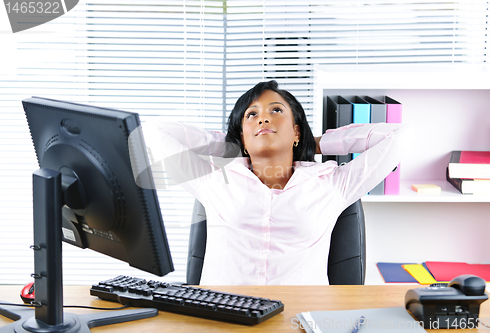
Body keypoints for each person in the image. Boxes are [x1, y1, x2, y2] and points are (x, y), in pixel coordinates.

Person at [144, 80, 414, 285]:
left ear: (296, 131)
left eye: (276, 110)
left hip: (300, 319)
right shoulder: (213, 180)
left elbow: (401, 135)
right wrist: (231, 144)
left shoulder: (333, 184)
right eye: (251, 115)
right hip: (224, 317)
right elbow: (156, 131)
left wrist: (318, 143)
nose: (263, 117)